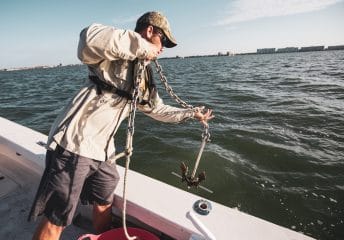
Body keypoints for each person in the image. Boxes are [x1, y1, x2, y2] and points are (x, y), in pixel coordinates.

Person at [28, 11, 214, 240]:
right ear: (149, 31)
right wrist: (144, 47)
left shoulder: (144, 74)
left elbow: (156, 109)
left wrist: (191, 114)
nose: (163, 48)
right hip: (75, 143)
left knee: (104, 199)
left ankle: (105, 236)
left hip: (104, 150)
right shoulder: (113, 50)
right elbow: (88, 38)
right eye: (162, 40)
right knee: (57, 217)